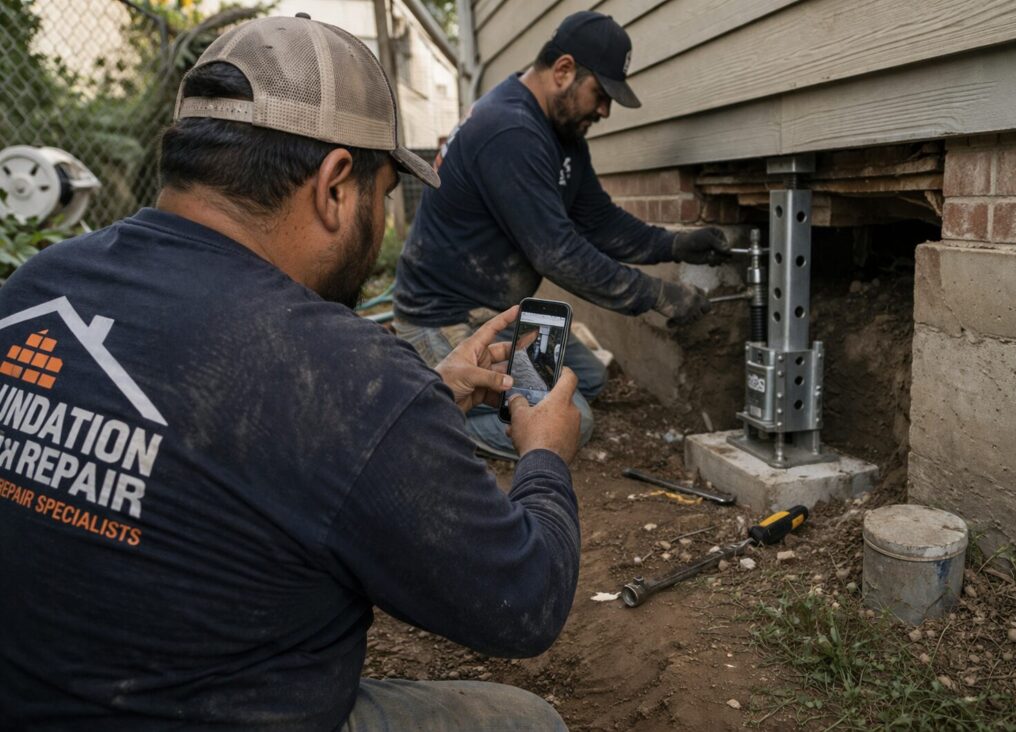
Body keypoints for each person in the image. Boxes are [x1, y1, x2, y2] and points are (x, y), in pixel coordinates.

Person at [0, 15, 583, 731]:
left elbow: (223, 424)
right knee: (528, 722)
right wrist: (547, 453)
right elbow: (524, 601)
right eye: (383, 190)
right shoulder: (348, 380)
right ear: (337, 185)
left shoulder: (38, 288)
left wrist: (427, 391)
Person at [393, 10, 731, 460]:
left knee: (589, 380)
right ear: (564, 70)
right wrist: (658, 295)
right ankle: (427, 416)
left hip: (499, 311)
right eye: (601, 94)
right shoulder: (510, 129)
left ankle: (484, 398)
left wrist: (674, 244)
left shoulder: (562, 134)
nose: (605, 110)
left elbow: (599, 222)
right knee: (574, 425)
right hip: (445, 315)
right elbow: (559, 254)